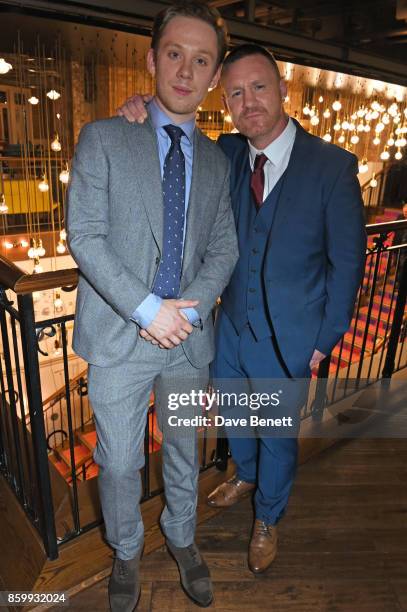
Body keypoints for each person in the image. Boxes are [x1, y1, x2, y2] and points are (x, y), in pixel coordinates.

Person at [118, 43, 367, 576]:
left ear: (282, 89)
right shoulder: (227, 153)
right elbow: (172, 139)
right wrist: (141, 110)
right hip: (228, 326)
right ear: (225, 101)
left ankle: (268, 517)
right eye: (235, 92)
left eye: (259, 87)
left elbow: (349, 265)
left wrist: (327, 337)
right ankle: (245, 474)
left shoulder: (332, 167)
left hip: (290, 335)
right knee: (234, 417)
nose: (248, 100)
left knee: (277, 434)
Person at [66, 2, 238, 610]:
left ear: (214, 74)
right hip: (119, 337)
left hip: (188, 341)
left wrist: (185, 312)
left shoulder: (218, 161)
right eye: (174, 54)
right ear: (151, 59)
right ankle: (127, 550)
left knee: (186, 450)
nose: (186, 71)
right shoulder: (106, 137)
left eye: (201, 60)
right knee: (117, 464)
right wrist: (148, 309)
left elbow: (225, 246)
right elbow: (83, 235)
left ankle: (183, 538)